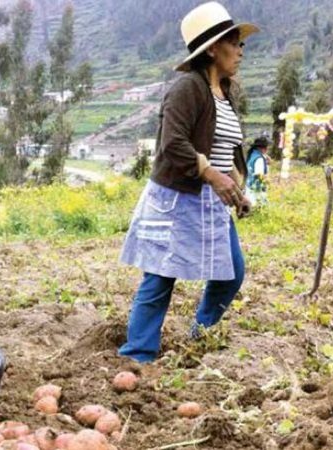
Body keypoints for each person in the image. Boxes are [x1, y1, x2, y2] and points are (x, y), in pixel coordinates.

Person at [117, 2, 258, 363]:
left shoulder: (225, 94)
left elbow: (226, 148)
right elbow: (173, 143)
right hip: (179, 197)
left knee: (232, 273)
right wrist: (211, 174)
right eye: (234, 42)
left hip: (212, 200)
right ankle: (138, 354)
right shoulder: (188, 88)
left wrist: (235, 190)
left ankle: (200, 333)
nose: (241, 50)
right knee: (161, 276)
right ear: (212, 48)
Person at [245, 136, 270, 207]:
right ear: (262, 148)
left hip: (248, 185)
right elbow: (259, 175)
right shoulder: (259, 159)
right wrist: (266, 182)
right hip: (256, 188)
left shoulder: (252, 155)